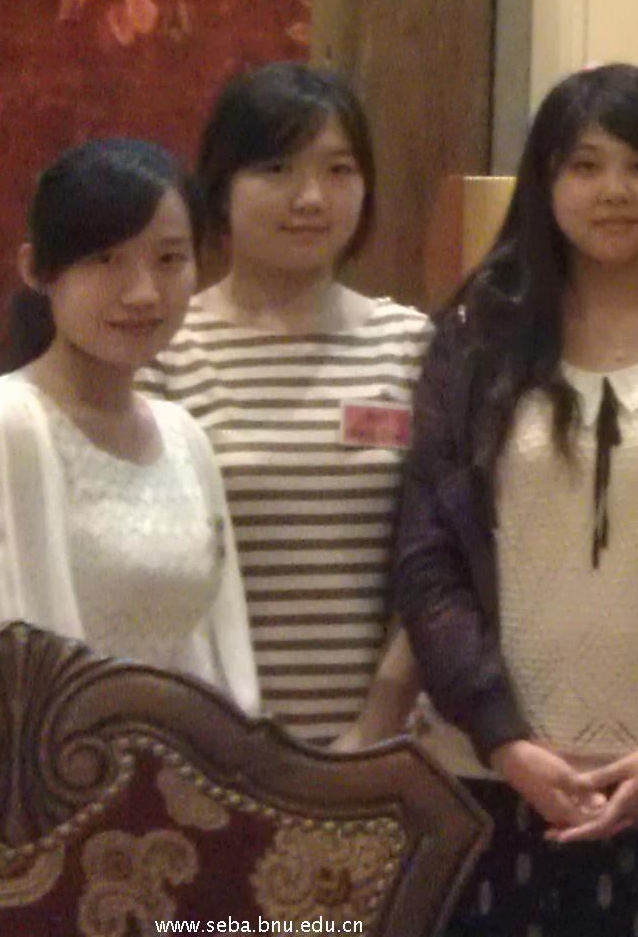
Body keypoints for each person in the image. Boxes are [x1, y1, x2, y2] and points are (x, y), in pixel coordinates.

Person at [392, 64, 638, 937]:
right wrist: (503, 737)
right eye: (585, 165)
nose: (615, 190)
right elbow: (428, 560)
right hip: (490, 779)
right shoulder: (475, 344)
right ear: (545, 182)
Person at [147, 64, 430, 748]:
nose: (311, 198)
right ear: (219, 187)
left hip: (382, 749)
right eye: (276, 169)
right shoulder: (163, 350)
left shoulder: (412, 346)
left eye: (338, 170)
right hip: (200, 746)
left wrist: (376, 726)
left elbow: (446, 555)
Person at [0, 138, 257, 706]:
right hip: (49, 758)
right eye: (105, 259)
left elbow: (209, 655)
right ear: (37, 270)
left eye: (169, 259)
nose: (144, 292)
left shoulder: (183, 437)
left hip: (176, 756)